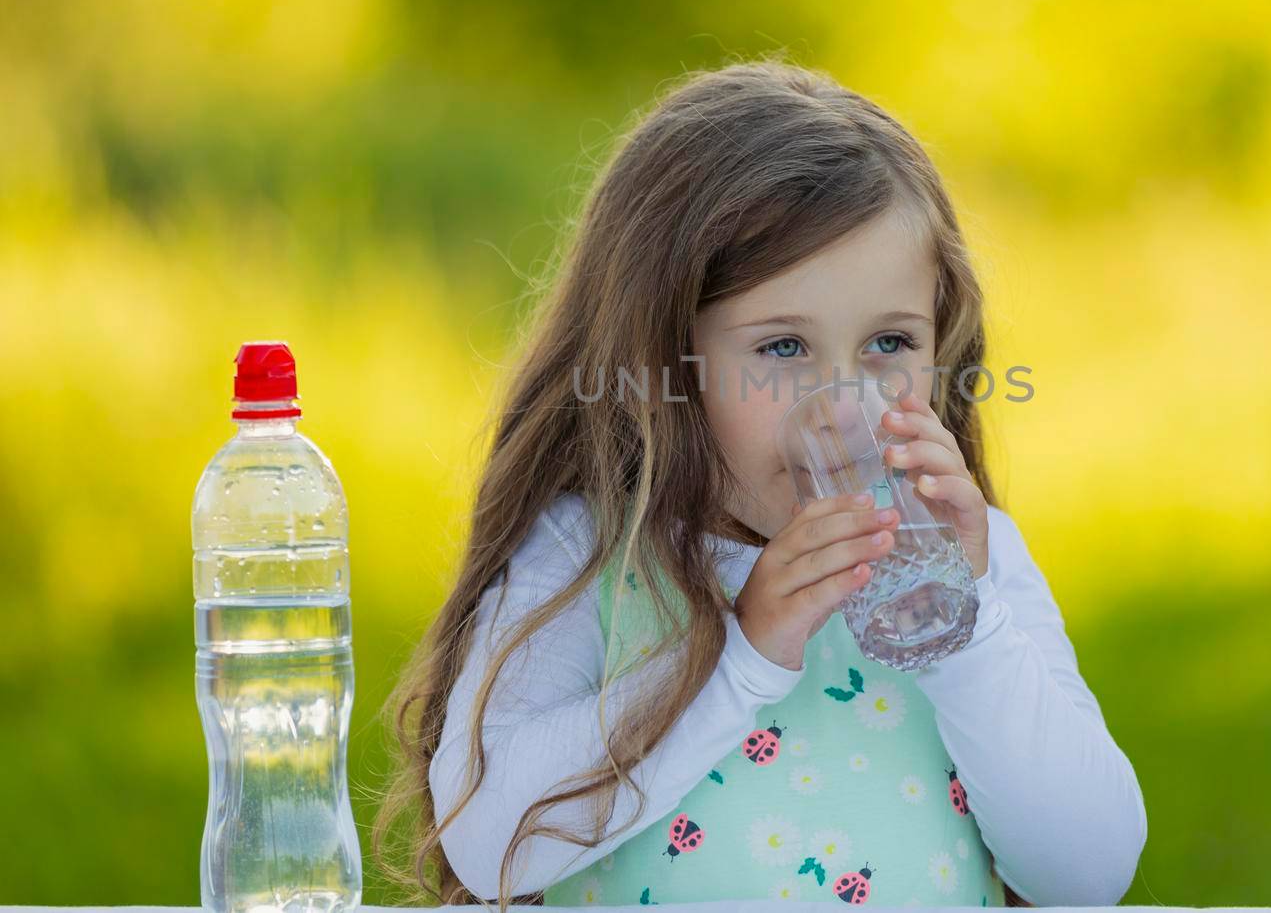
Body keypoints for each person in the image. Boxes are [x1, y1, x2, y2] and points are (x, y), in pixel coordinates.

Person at [374, 57, 1147, 909]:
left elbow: (1089, 872)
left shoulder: (974, 564)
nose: (844, 404)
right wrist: (738, 655)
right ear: (664, 359)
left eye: (889, 344)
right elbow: (490, 844)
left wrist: (961, 628)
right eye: (783, 348)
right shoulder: (591, 550)